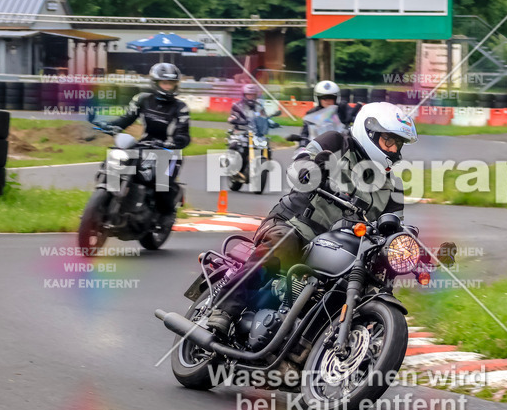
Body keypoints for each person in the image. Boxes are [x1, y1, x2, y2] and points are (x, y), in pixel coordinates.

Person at [206, 102, 418, 332]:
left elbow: (394, 227)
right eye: (389, 140)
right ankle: (225, 309)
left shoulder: (392, 186)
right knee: (283, 244)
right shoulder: (336, 143)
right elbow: (302, 160)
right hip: (295, 224)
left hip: (343, 249)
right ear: (370, 133)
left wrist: (408, 248)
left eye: (398, 144)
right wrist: (310, 168)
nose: (393, 149)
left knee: (370, 283)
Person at [105, 62, 190, 225]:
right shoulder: (143, 99)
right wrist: (110, 126)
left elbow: (183, 133)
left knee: (162, 183)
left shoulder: (181, 107)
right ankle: (108, 200)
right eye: (164, 83)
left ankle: (166, 215)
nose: (168, 87)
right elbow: (126, 118)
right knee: (117, 160)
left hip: (169, 152)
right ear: (155, 83)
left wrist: (176, 142)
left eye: (171, 83)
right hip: (144, 146)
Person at [294, 80, 360, 143]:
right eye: (324, 98)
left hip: (341, 143)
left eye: (331, 98)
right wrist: (302, 144)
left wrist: (352, 119)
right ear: (318, 99)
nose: (327, 101)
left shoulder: (343, 108)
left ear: (336, 98)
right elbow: (305, 133)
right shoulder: (312, 113)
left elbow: (357, 121)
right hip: (318, 145)